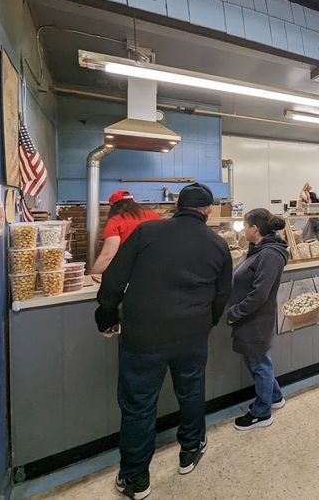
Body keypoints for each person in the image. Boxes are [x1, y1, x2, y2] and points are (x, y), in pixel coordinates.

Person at [95, 183, 233, 500]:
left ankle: (135, 479)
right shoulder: (218, 244)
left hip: (143, 334)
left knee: (138, 404)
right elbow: (221, 295)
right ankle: (190, 451)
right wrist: (205, 322)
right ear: (209, 211)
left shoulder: (147, 232)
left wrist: (107, 314)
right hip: (192, 334)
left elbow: (113, 280)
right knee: (191, 390)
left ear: (176, 206)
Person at [227, 208, 290, 431]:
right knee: (257, 360)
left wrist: (235, 312)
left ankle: (262, 413)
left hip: (255, 318)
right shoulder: (258, 250)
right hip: (250, 318)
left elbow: (260, 294)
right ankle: (275, 397)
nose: (243, 229)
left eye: (245, 226)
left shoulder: (270, 254)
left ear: (255, 229)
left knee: (259, 363)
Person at [91, 190, 161, 275]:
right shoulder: (155, 215)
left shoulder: (115, 221)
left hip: (133, 270)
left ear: (114, 207)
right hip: (158, 266)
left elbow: (108, 255)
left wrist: (92, 275)